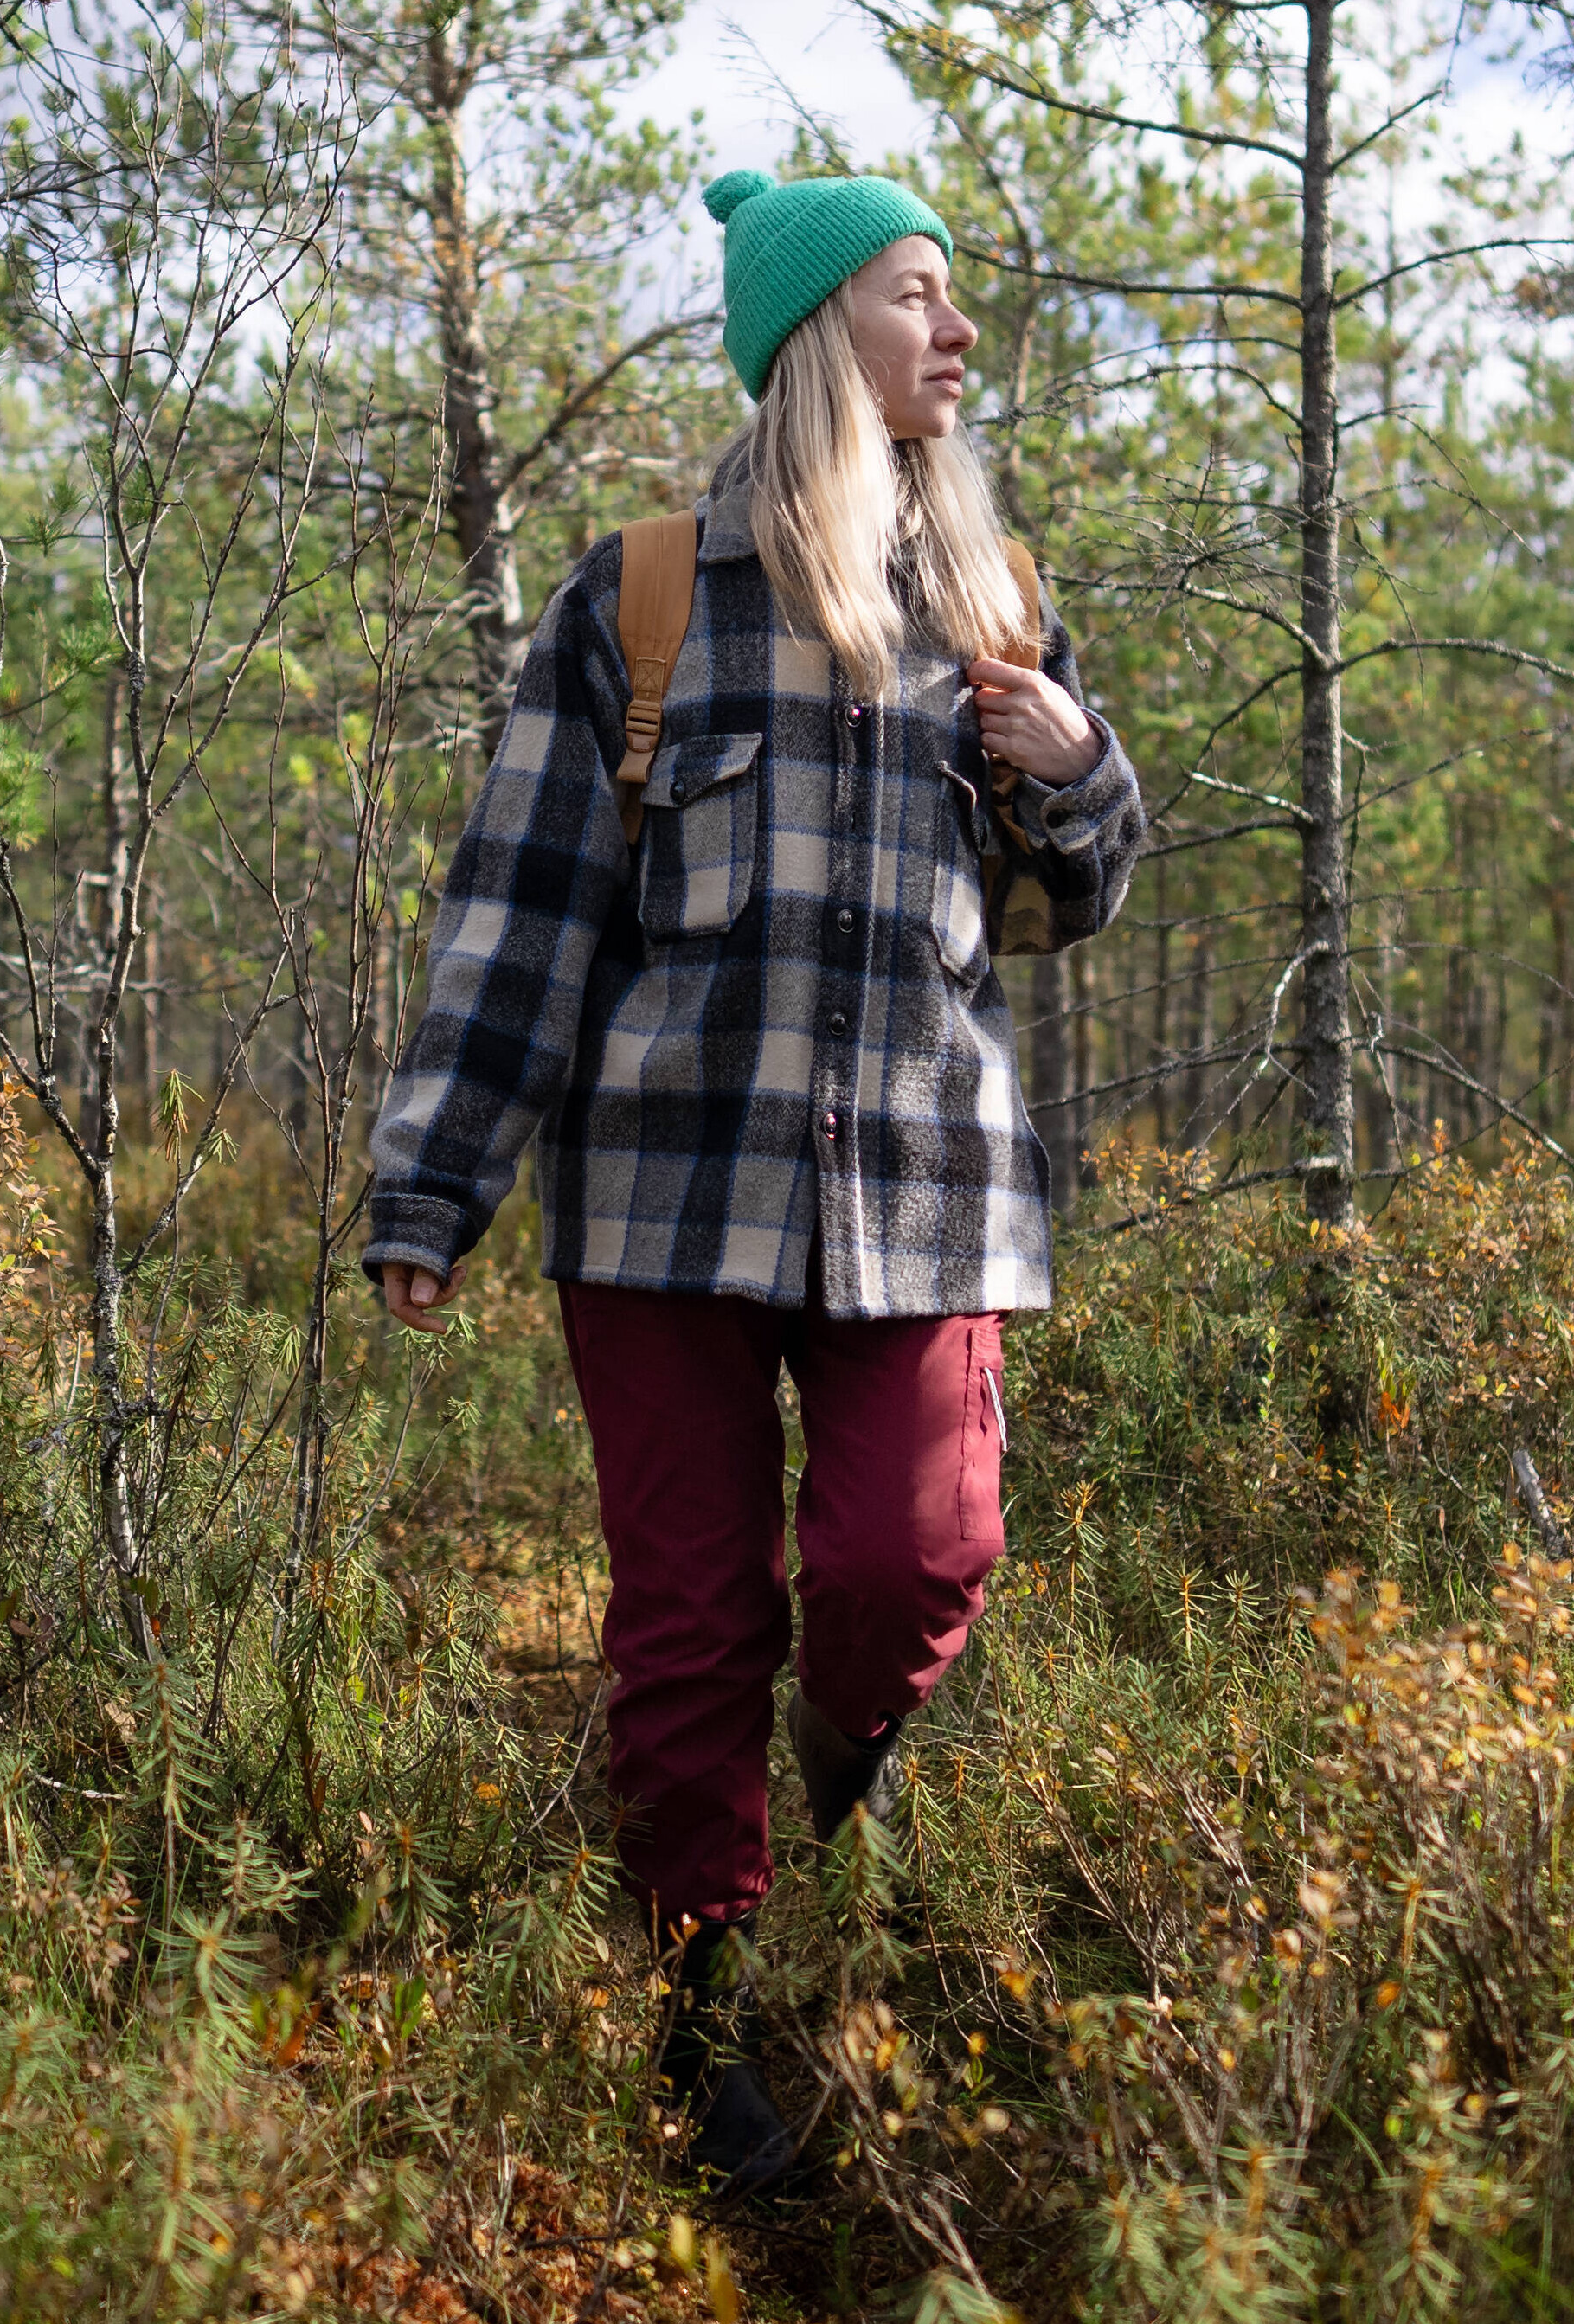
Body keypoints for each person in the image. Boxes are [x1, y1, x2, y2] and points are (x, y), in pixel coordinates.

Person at [356, 168, 1147, 2194]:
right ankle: (703, 2014)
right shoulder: (643, 598)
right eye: (915, 294)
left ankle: (833, 1795)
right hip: (666, 1196)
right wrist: (435, 1183)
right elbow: (523, 912)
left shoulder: (994, 604)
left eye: (953, 300)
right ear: (814, 333)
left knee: (912, 1555)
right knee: (692, 1618)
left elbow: (1063, 907)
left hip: (926, 1190)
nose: (957, 332)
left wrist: (1077, 768)